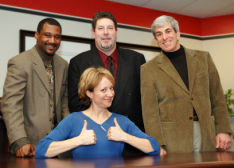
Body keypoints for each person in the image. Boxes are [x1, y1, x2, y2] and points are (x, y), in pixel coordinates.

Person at [141, 15, 232, 153]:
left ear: (178, 34)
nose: (164, 37)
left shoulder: (204, 58)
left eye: (168, 31)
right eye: (159, 34)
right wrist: (156, 143)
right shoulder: (148, 69)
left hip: (207, 134)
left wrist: (224, 130)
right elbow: (150, 113)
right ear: (156, 40)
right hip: (173, 140)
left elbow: (217, 97)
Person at [35, 67, 164, 159]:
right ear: (89, 93)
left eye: (111, 88)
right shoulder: (74, 119)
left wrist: (125, 136)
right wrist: (78, 140)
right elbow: (41, 150)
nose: (110, 94)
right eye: (103, 90)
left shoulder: (121, 121)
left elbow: (154, 148)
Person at [1, 18, 70, 157]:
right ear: (37, 35)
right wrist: (20, 140)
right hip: (30, 146)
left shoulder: (63, 65)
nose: (52, 41)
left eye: (57, 37)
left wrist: (70, 136)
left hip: (60, 147)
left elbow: (64, 104)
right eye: (47, 35)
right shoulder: (19, 62)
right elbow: (11, 105)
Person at [68, 11, 146, 133]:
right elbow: (76, 105)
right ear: (93, 33)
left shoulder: (136, 59)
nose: (106, 32)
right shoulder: (78, 63)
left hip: (131, 135)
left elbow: (145, 100)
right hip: (95, 134)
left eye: (110, 28)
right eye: (101, 28)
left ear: (116, 32)